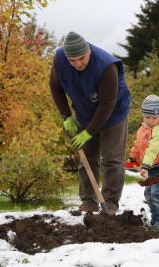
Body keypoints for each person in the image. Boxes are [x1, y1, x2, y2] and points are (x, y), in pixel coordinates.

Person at [50, 31, 130, 215]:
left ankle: (110, 203)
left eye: (82, 58)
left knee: (112, 159)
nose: (78, 63)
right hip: (85, 112)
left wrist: (89, 132)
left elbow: (107, 104)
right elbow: (55, 87)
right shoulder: (60, 59)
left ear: (89, 51)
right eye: (73, 60)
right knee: (87, 156)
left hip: (113, 113)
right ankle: (89, 201)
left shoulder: (106, 66)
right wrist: (66, 115)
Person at [126, 95, 159, 231]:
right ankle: (156, 220)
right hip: (150, 168)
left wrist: (145, 166)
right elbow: (138, 145)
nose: (151, 120)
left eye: (154, 118)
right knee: (148, 195)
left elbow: (153, 149)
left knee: (157, 195)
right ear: (143, 115)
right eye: (147, 117)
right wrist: (133, 158)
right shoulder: (143, 128)